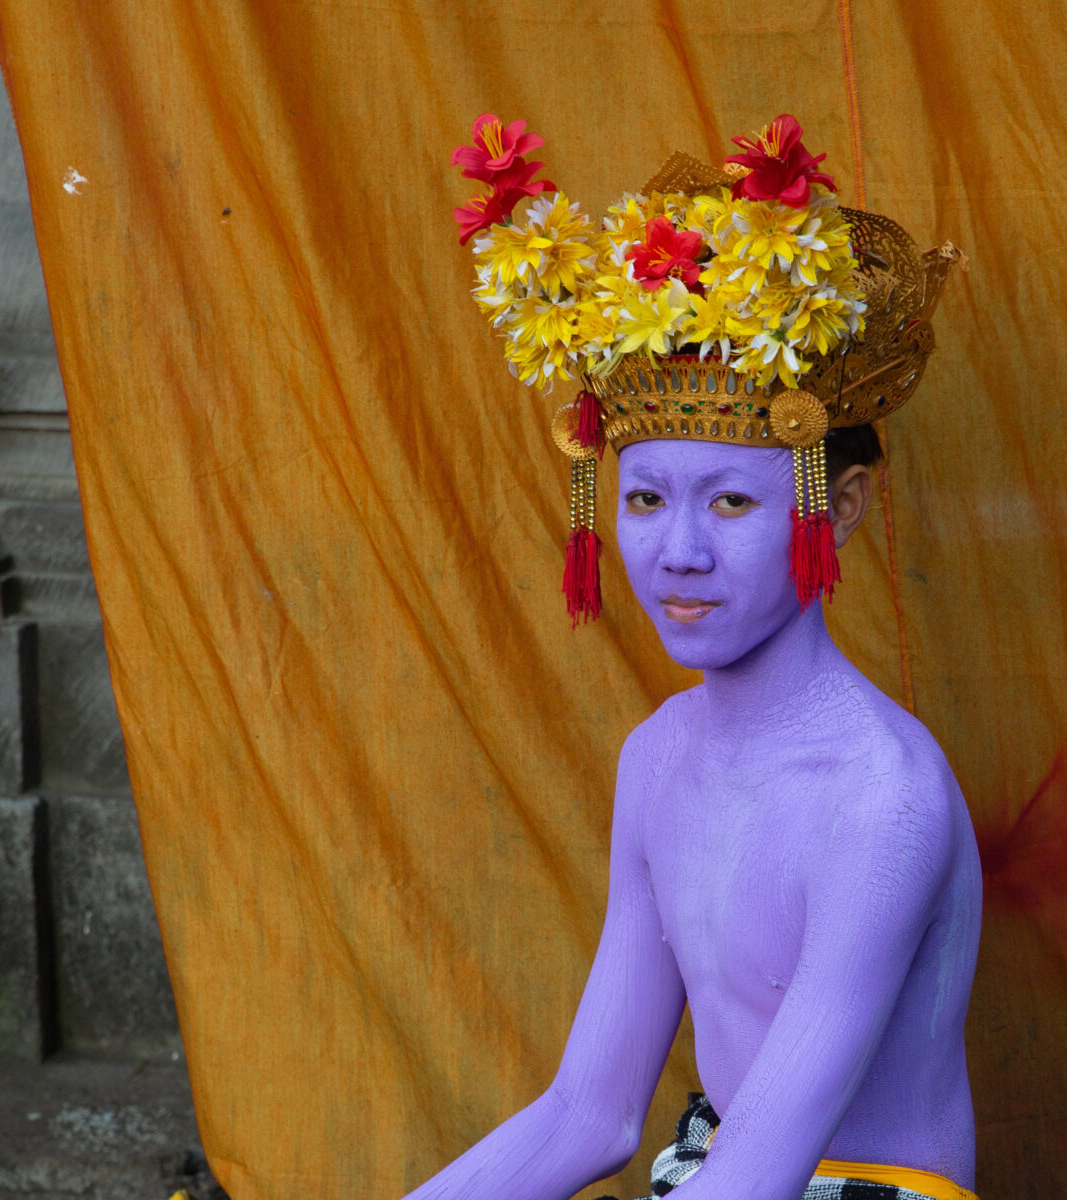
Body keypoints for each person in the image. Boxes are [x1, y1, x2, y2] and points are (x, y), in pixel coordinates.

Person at [412, 114, 979, 1200]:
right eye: (641, 499)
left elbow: (764, 1171)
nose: (680, 553)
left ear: (840, 505)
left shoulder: (882, 799)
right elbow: (589, 1113)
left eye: (729, 500)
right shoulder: (658, 758)